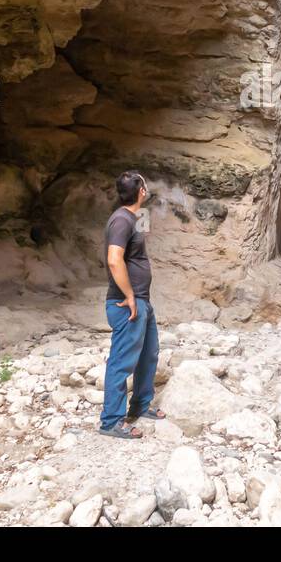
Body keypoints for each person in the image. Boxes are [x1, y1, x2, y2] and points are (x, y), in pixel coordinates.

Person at [99, 171, 165, 439]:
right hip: (128, 303)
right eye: (144, 185)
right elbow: (115, 259)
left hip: (141, 301)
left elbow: (135, 251)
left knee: (148, 354)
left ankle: (140, 405)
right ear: (141, 191)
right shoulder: (121, 220)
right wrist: (129, 295)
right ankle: (111, 421)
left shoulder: (133, 217)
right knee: (122, 361)